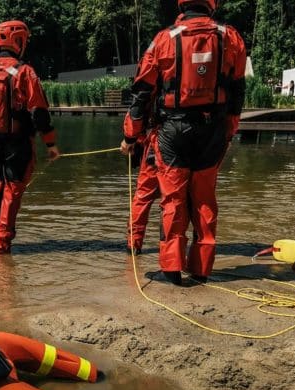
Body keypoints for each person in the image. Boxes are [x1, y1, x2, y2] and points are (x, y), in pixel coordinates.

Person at [120, 0, 246, 284]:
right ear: (211, 4)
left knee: (173, 200)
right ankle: (201, 268)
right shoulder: (231, 37)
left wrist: (131, 135)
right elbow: (238, 90)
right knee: (204, 200)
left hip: (173, 130)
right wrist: (229, 129)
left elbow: (141, 91)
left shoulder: (164, 39)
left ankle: (172, 267)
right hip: (213, 130)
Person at [0, 20, 60, 254]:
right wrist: (50, 144)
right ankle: (2, 245)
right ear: (19, 41)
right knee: (11, 192)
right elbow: (39, 112)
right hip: (17, 143)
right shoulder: (24, 72)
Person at [128, 130, 160, 254]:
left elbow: (135, 116)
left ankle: (134, 245)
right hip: (198, 146)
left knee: (143, 197)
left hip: (159, 143)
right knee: (176, 201)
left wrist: (130, 140)